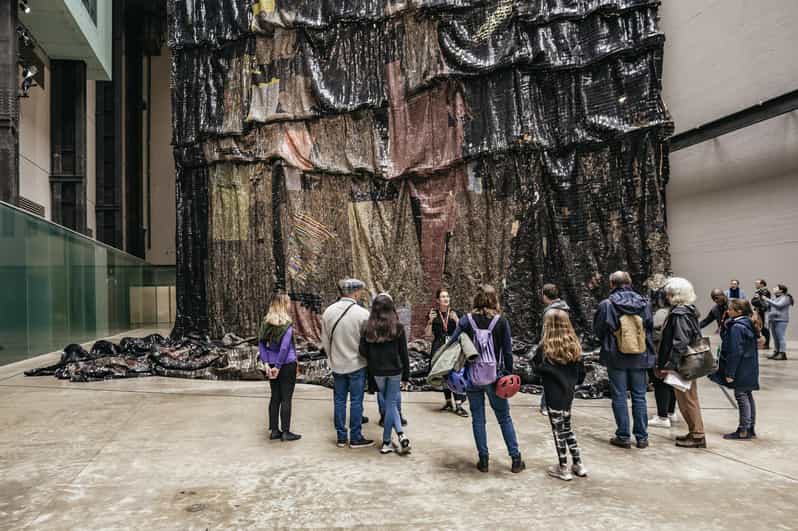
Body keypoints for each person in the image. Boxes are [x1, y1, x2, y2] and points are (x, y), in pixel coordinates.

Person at [447, 284, 525, 473]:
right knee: (504, 418)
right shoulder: (501, 322)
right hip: (494, 377)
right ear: (493, 300)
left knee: (478, 419)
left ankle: (483, 460)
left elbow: (453, 343)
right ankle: (515, 459)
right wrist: (507, 375)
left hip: (472, 377)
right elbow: (507, 353)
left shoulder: (467, 321)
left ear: (476, 299)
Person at [593, 271, 655, 449]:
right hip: (640, 355)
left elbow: (598, 330)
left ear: (612, 284)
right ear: (630, 282)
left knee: (619, 395)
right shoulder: (644, 303)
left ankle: (623, 436)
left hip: (616, 356)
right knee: (639, 396)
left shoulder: (607, 304)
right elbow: (649, 327)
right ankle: (642, 437)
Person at [321, 278, 374, 449]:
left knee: (339, 401)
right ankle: (356, 437)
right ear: (356, 293)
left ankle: (341, 437)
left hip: (337, 364)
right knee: (356, 401)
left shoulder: (328, 312)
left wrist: (332, 358)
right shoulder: (363, 314)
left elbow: (325, 341)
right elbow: (368, 343)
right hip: (357, 364)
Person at [535, 309, 587, 481]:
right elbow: (581, 375)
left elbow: (536, 369)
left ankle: (563, 466)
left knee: (558, 430)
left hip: (553, 394)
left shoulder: (545, 348)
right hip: (568, 394)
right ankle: (578, 463)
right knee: (567, 426)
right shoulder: (575, 346)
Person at [656, 277, 706, 448]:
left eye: (668, 292)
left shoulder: (680, 313)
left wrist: (671, 364)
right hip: (685, 362)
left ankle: (698, 435)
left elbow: (680, 342)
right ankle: (694, 432)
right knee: (686, 398)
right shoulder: (687, 311)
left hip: (682, 364)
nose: (666, 295)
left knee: (687, 400)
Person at [359, 294, 411, 454]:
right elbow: (404, 353)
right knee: (391, 404)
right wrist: (406, 376)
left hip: (377, 371)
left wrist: (374, 357)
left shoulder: (367, 326)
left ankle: (396, 438)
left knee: (390, 404)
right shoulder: (399, 327)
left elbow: (363, 350)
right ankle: (389, 440)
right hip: (395, 370)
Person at [259, 292, 301, 442]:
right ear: (283, 305)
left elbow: (261, 344)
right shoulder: (286, 325)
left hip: (270, 363)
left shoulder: (266, 323)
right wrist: (278, 366)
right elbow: (284, 348)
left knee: (275, 396)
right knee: (286, 398)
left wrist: (266, 364)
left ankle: (274, 430)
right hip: (286, 364)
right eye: (288, 303)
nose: (290, 305)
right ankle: (286, 432)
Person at [715, 299, 759, 440]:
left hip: (740, 368)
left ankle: (743, 430)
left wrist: (730, 373)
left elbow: (735, 351)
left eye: (730, 309)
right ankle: (750, 427)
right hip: (748, 366)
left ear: (739, 311)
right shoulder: (747, 323)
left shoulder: (737, 327)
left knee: (741, 396)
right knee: (747, 395)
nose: (728, 311)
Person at [425, 288, 467, 417]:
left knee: (455, 374)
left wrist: (457, 321)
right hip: (438, 347)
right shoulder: (433, 314)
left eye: (447, 296)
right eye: (443, 297)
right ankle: (448, 401)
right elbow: (428, 335)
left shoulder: (456, 313)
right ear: (438, 300)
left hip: (453, 348)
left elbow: (465, 331)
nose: (446, 299)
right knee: (443, 374)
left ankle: (459, 405)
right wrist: (430, 321)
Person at [647, 280, 677, 429]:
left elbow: (656, 335)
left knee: (661, 383)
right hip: (673, 353)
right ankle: (670, 412)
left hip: (662, 353)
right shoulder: (679, 311)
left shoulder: (661, 313)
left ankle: (663, 416)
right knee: (670, 383)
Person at [538, 283, 571, 416]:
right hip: (565, 346)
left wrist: (542, 347)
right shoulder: (565, 309)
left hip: (551, 347)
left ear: (545, 296)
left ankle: (546, 405)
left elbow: (545, 332)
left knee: (549, 378)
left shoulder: (549, 312)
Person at [764, 284, 794, 360]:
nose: (774, 288)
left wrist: (767, 299)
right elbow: (769, 306)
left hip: (781, 320)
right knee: (775, 338)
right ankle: (776, 352)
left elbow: (778, 305)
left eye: (776, 288)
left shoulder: (786, 298)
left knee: (781, 337)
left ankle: (782, 353)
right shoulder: (774, 297)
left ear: (781, 290)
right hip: (773, 319)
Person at [751, 279, 771, 349]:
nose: (755, 284)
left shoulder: (765, 291)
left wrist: (755, 300)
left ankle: (766, 344)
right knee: (760, 328)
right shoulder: (759, 291)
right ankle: (763, 343)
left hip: (763, 312)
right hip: (759, 311)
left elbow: (755, 301)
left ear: (762, 284)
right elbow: (754, 301)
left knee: (764, 328)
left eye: (757, 283)